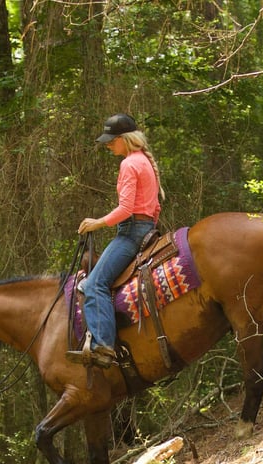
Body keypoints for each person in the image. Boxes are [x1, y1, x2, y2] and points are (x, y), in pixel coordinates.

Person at [66, 113, 164, 368]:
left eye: (112, 140)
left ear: (124, 139)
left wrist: (96, 223)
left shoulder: (129, 164)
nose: (108, 145)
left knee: (93, 284)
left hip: (131, 231)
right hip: (146, 228)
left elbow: (126, 209)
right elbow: (154, 210)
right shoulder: (144, 161)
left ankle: (103, 346)